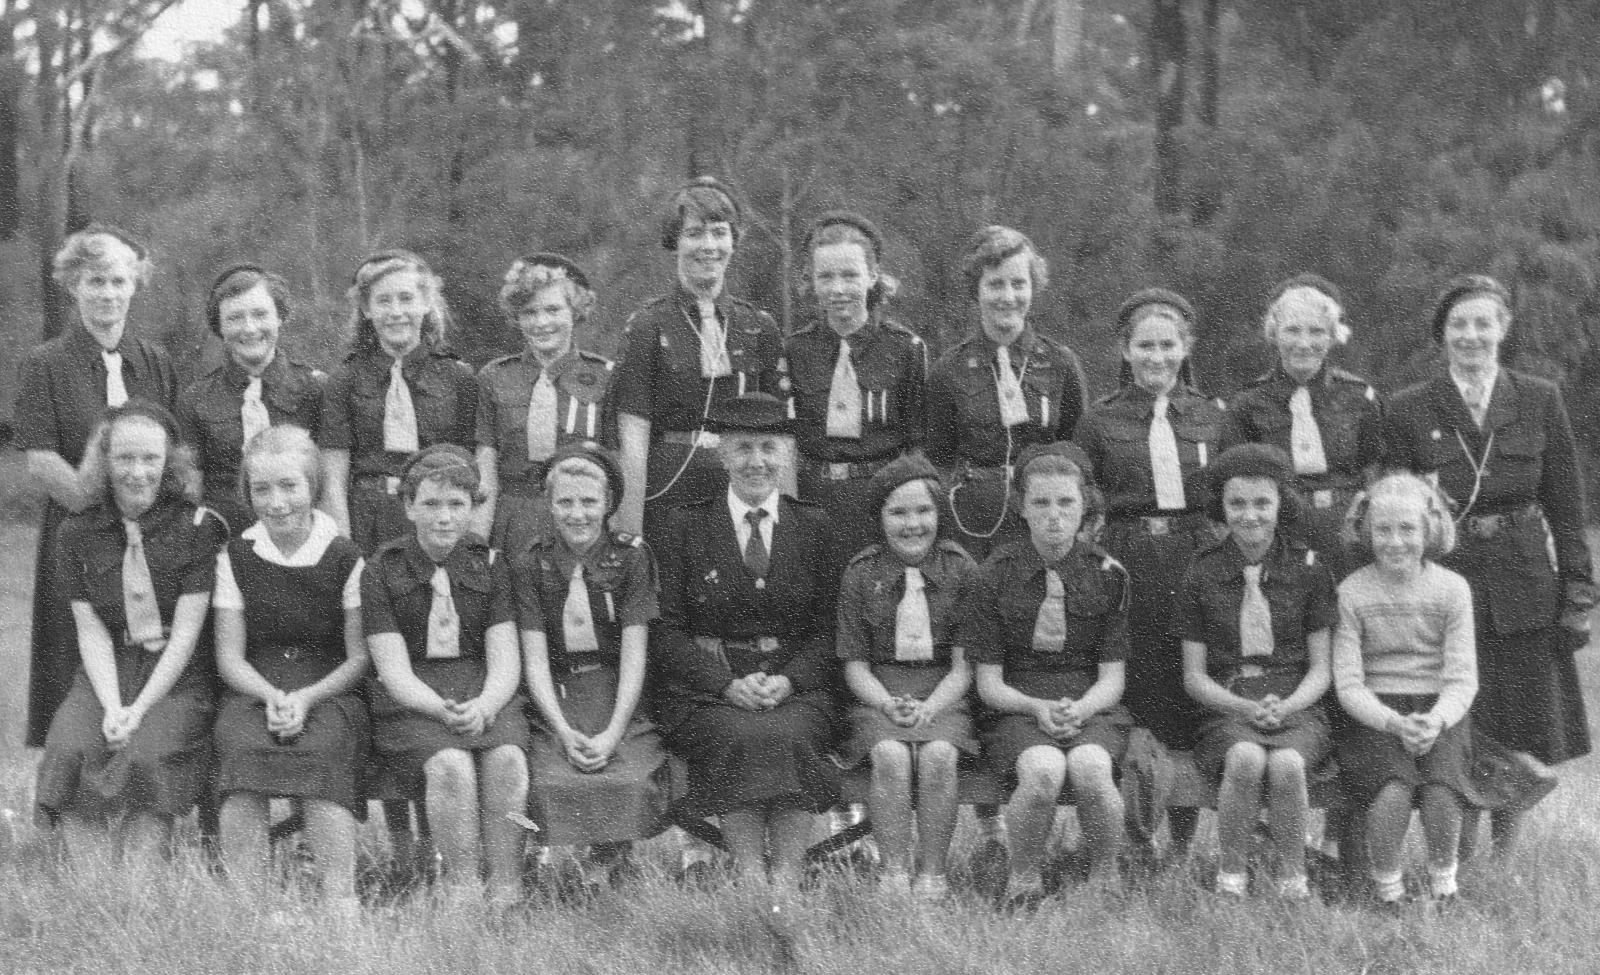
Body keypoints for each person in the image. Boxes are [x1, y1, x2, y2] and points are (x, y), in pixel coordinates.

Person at [1382, 274, 1594, 855]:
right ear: (1442, 335)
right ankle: (1457, 850)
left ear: (1503, 329)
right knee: (1461, 721)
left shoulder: (1539, 397)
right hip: (1446, 583)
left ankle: (1503, 855)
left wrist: (1579, 593)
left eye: (1483, 323)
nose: (1471, 336)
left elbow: (1568, 508)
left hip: (1526, 583)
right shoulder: (1407, 409)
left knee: (1524, 723)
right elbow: (1395, 508)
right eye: (1459, 325)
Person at [651, 392, 839, 890]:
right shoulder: (684, 524)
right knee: (741, 734)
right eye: (743, 448)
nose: (757, 461)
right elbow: (665, 632)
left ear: (788, 453)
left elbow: (830, 631)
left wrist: (789, 680)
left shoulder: (815, 525)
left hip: (796, 689)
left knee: (788, 732)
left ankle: (786, 879)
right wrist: (724, 684)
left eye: (769, 446)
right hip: (710, 691)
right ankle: (754, 882)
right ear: (721, 453)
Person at [33, 401, 226, 860]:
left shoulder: (199, 527)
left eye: (150, 459)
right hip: (109, 668)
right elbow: (91, 631)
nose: (137, 472)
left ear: (170, 462)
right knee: (71, 743)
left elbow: (186, 636)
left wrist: (137, 710)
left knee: (148, 751)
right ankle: (94, 885)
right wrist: (113, 703)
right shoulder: (76, 532)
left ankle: (140, 878)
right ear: (105, 461)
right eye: (124, 458)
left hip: (177, 674)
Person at [16, 226, 179, 749]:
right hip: (78, 535)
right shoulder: (45, 364)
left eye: (118, 281)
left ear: (134, 285)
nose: (108, 294)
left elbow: (169, 451)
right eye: (94, 282)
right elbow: (40, 459)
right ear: (72, 286)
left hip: (150, 537)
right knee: (73, 658)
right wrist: (96, 507)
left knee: (149, 651)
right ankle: (66, 787)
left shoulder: (155, 361)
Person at [1075, 288, 1222, 853]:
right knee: (1139, 681)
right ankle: (1134, 834)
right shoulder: (1100, 420)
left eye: (1168, 345)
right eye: (1144, 346)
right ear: (1125, 349)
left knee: (1190, 677)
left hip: (1193, 552)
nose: (1156, 357)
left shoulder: (1212, 417)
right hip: (1129, 552)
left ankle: (1185, 840)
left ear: (1185, 349)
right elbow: (1088, 500)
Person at [361, 445, 530, 907]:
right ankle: (461, 884)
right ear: (409, 505)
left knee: (508, 759)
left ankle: (507, 883)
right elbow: (392, 669)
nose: (444, 518)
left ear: (475, 507)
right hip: (413, 696)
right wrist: (441, 709)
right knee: (451, 765)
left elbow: (504, 657)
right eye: (431, 504)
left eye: (457, 505)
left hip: (483, 688)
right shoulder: (380, 569)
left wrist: (488, 704)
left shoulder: (492, 564)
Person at [211, 426, 368, 917]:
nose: (276, 503)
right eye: (262, 490)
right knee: (240, 749)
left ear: (312, 487)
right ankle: (249, 904)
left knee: (322, 751)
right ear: (247, 493)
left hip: (330, 687)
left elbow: (358, 657)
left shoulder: (345, 555)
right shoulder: (236, 556)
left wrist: (305, 699)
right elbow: (229, 658)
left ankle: (339, 901)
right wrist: (274, 696)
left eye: (289, 487)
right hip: (255, 686)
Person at [967, 444, 1131, 907]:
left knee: (1091, 768)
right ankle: (1024, 881)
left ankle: (1105, 878)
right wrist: (1036, 708)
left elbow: (1112, 678)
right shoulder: (993, 575)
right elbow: (989, 684)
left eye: (1066, 503)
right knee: (1042, 772)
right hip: (1016, 705)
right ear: (1021, 507)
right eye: (1040, 503)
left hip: (1090, 702)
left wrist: (1081, 709)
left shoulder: (1109, 575)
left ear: (1085, 507)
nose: (1054, 516)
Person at [1177, 444, 1334, 900]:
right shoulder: (1200, 572)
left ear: (1281, 503)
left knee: (1286, 763)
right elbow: (1195, 677)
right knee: (1245, 758)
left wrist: (1289, 705)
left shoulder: (1308, 568)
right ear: (1220, 507)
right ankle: (1231, 878)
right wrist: (1245, 706)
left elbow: (1321, 668)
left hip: (1297, 703)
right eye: (1237, 504)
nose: (1250, 516)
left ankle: (1292, 881)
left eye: (1262, 503)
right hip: (1226, 702)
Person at [515, 443, 668, 889]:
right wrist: (561, 728)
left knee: (628, 774)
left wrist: (614, 729)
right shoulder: (531, 562)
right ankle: (557, 867)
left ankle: (612, 860)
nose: (577, 514)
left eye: (589, 502)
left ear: (608, 504)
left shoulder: (634, 557)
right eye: (565, 502)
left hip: (617, 691)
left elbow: (634, 654)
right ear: (549, 504)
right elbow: (535, 660)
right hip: (557, 694)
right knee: (549, 776)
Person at [613, 177, 790, 538]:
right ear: (674, 243)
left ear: (733, 241)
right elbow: (633, 440)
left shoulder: (759, 326)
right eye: (694, 233)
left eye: (719, 233)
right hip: (669, 489)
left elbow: (781, 434)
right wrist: (630, 530)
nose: (708, 246)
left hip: (743, 486)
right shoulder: (647, 326)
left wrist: (787, 524)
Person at [836, 454, 978, 901]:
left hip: (944, 691)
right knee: (891, 756)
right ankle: (894, 872)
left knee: (939, 755)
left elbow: (963, 667)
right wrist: (884, 704)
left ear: (939, 514)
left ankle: (933, 873)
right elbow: (855, 664)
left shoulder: (961, 570)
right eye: (898, 513)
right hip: (879, 691)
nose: (912, 524)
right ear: (879, 519)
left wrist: (933, 707)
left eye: (923, 511)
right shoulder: (861, 574)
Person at [1333, 472, 1477, 908]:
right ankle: (1389, 891)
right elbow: (1349, 683)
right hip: (1374, 711)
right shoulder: (1351, 591)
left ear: (1429, 528)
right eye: (1383, 530)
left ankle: (1443, 886)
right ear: (1365, 531)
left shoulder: (1452, 589)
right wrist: (1393, 722)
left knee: (1439, 788)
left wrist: (1435, 719)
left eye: (1407, 529)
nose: (1395, 542)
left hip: (1439, 710)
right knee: (1392, 787)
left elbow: (1462, 678)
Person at [926, 226, 1087, 562]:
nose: (1008, 296)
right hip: (973, 518)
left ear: (1033, 287)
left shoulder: (1060, 362)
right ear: (977, 290)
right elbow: (938, 458)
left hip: (1043, 513)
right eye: (995, 284)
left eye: (1018, 283)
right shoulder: (948, 369)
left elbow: (1077, 450)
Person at [1218, 274, 1384, 580]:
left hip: (1347, 531)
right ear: (1274, 334)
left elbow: (1374, 468)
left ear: (1333, 336)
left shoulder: (1359, 396)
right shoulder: (1248, 402)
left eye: (1316, 331)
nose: (1304, 343)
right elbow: (1236, 481)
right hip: (1281, 530)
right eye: (1292, 330)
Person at [319, 249, 478, 555]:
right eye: (383, 301)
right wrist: (345, 551)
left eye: (406, 298)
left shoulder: (459, 377)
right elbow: (334, 477)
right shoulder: (344, 378)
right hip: (368, 518)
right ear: (366, 309)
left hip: (436, 516)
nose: (396, 312)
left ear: (426, 303)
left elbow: (472, 469)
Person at [786, 212, 927, 554]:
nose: (838, 289)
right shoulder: (795, 350)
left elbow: (918, 446)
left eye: (850, 275)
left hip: (879, 500)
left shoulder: (905, 349)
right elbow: (787, 443)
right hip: (812, 498)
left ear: (873, 276)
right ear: (812, 281)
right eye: (826, 277)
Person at [475, 254, 618, 556]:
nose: (542, 323)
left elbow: (615, 467)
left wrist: (615, 539)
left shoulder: (605, 377)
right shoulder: (495, 377)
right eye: (530, 312)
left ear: (575, 311)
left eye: (553, 310)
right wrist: (477, 544)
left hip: (580, 521)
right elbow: (486, 468)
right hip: (513, 519)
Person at [177, 265, 325, 534]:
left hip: (303, 537)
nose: (249, 328)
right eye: (235, 318)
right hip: (225, 538)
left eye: (260, 314)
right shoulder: (196, 399)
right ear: (219, 326)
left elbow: (328, 479)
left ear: (280, 316)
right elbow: (191, 492)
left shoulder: (315, 388)